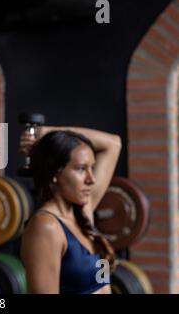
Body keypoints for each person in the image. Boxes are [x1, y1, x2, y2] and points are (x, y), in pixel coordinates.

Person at [19, 125, 121, 294]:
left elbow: (114, 144)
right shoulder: (46, 227)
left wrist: (45, 132)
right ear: (55, 173)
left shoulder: (83, 212)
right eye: (81, 168)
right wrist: (47, 138)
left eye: (92, 167)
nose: (92, 179)